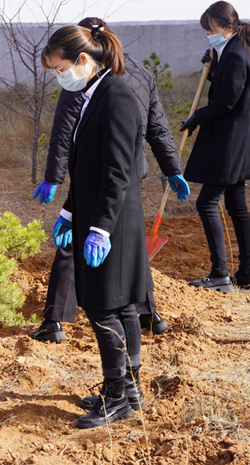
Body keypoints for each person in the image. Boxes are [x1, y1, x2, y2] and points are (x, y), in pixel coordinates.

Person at [31, 17, 188, 341]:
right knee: (130, 248)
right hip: (131, 180)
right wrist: (172, 167)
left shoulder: (89, 79)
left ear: (86, 51)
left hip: (97, 178)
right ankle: (150, 313)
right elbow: (157, 125)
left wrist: (54, 177)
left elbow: (65, 132)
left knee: (74, 244)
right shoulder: (140, 74)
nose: (60, 75)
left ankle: (55, 319)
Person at [40, 24, 150, 429]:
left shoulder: (116, 97)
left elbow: (118, 172)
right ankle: (128, 388)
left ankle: (117, 396)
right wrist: (71, 210)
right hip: (99, 213)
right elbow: (88, 168)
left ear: (83, 60)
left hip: (114, 221)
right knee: (120, 307)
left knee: (105, 307)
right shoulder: (94, 93)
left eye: (59, 68)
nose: (58, 76)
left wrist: (101, 227)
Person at [179, 1, 250, 292]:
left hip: (229, 143)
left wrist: (197, 117)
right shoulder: (239, 49)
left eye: (212, 29)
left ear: (228, 27)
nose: (209, 33)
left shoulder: (234, 54)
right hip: (241, 141)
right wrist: (214, 60)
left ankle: (220, 273)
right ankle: (246, 275)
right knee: (236, 206)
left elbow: (227, 100)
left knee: (206, 203)